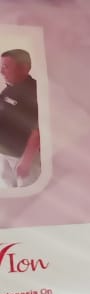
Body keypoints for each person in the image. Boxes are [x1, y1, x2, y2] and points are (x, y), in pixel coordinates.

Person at [0, 49, 40, 189]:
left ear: (24, 68)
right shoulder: (9, 89)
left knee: (27, 197)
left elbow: (38, 130)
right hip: (5, 154)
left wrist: (27, 161)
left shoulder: (35, 91)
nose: (1, 71)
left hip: (22, 157)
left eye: (6, 67)